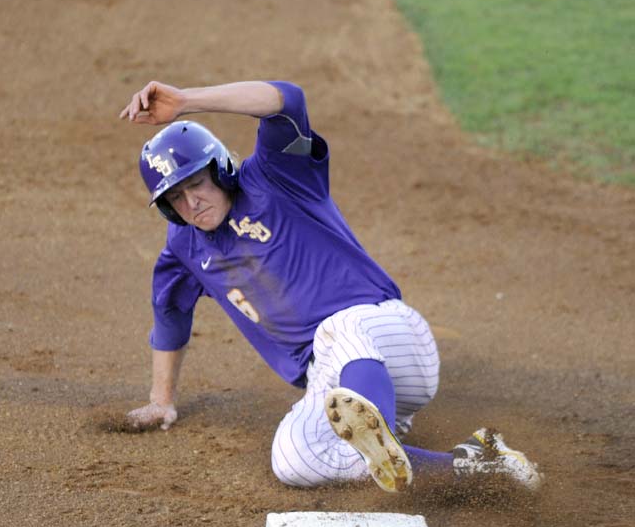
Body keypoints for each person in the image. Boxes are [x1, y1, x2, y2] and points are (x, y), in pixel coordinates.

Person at [119, 79, 541, 492]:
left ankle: (373, 427)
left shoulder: (275, 178)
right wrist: (162, 399)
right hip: (331, 376)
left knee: (334, 331)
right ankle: (479, 466)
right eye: (175, 198)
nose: (191, 203)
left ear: (220, 169)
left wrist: (188, 100)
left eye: (195, 183)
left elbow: (287, 100)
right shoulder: (184, 248)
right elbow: (170, 315)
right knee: (292, 458)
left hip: (388, 337)